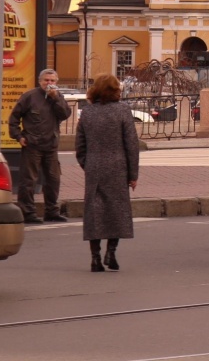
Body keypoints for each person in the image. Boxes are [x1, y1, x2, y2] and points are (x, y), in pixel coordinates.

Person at [74, 74, 139, 271]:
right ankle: (111, 253)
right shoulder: (123, 111)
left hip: (94, 167)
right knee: (116, 211)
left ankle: (95, 258)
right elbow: (131, 144)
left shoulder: (87, 112)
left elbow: (80, 145)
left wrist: (88, 164)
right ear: (115, 90)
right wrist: (133, 174)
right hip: (118, 168)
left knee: (94, 212)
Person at [8, 67, 72, 224]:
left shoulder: (58, 97)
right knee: (28, 180)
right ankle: (28, 213)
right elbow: (14, 118)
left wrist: (55, 98)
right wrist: (18, 136)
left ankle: (52, 211)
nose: (49, 83)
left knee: (53, 179)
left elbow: (65, 114)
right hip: (32, 145)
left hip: (51, 146)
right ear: (40, 81)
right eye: (46, 80)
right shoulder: (30, 96)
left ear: (56, 82)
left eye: (52, 81)